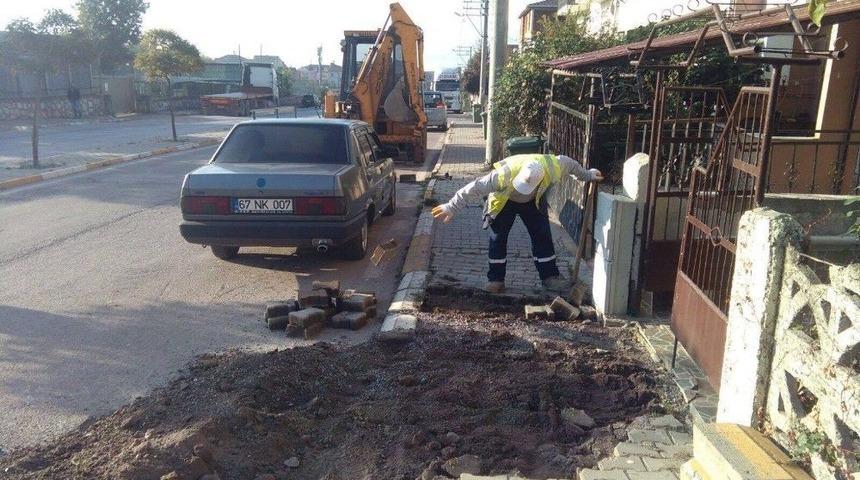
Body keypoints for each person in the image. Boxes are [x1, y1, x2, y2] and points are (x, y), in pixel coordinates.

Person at [432, 153, 603, 293]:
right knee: (497, 238)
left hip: (533, 201)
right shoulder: (502, 176)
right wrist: (451, 207)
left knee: (542, 236)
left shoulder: (555, 165)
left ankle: (550, 277)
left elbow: (573, 167)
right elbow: (473, 188)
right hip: (505, 200)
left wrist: (588, 174)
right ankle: (496, 280)